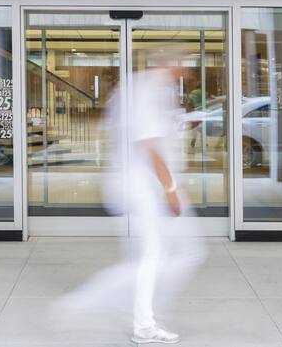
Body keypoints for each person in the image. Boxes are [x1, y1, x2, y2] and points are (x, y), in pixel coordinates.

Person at [60, 54, 205, 344]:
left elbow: (151, 134)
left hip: (145, 187)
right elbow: (148, 145)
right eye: (184, 65)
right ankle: (111, 311)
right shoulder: (147, 90)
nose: (186, 72)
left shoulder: (146, 90)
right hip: (142, 189)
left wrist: (183, 127)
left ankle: (142, 314)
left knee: (180, 253)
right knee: (154, 256)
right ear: (169, 63)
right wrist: (171, 188)